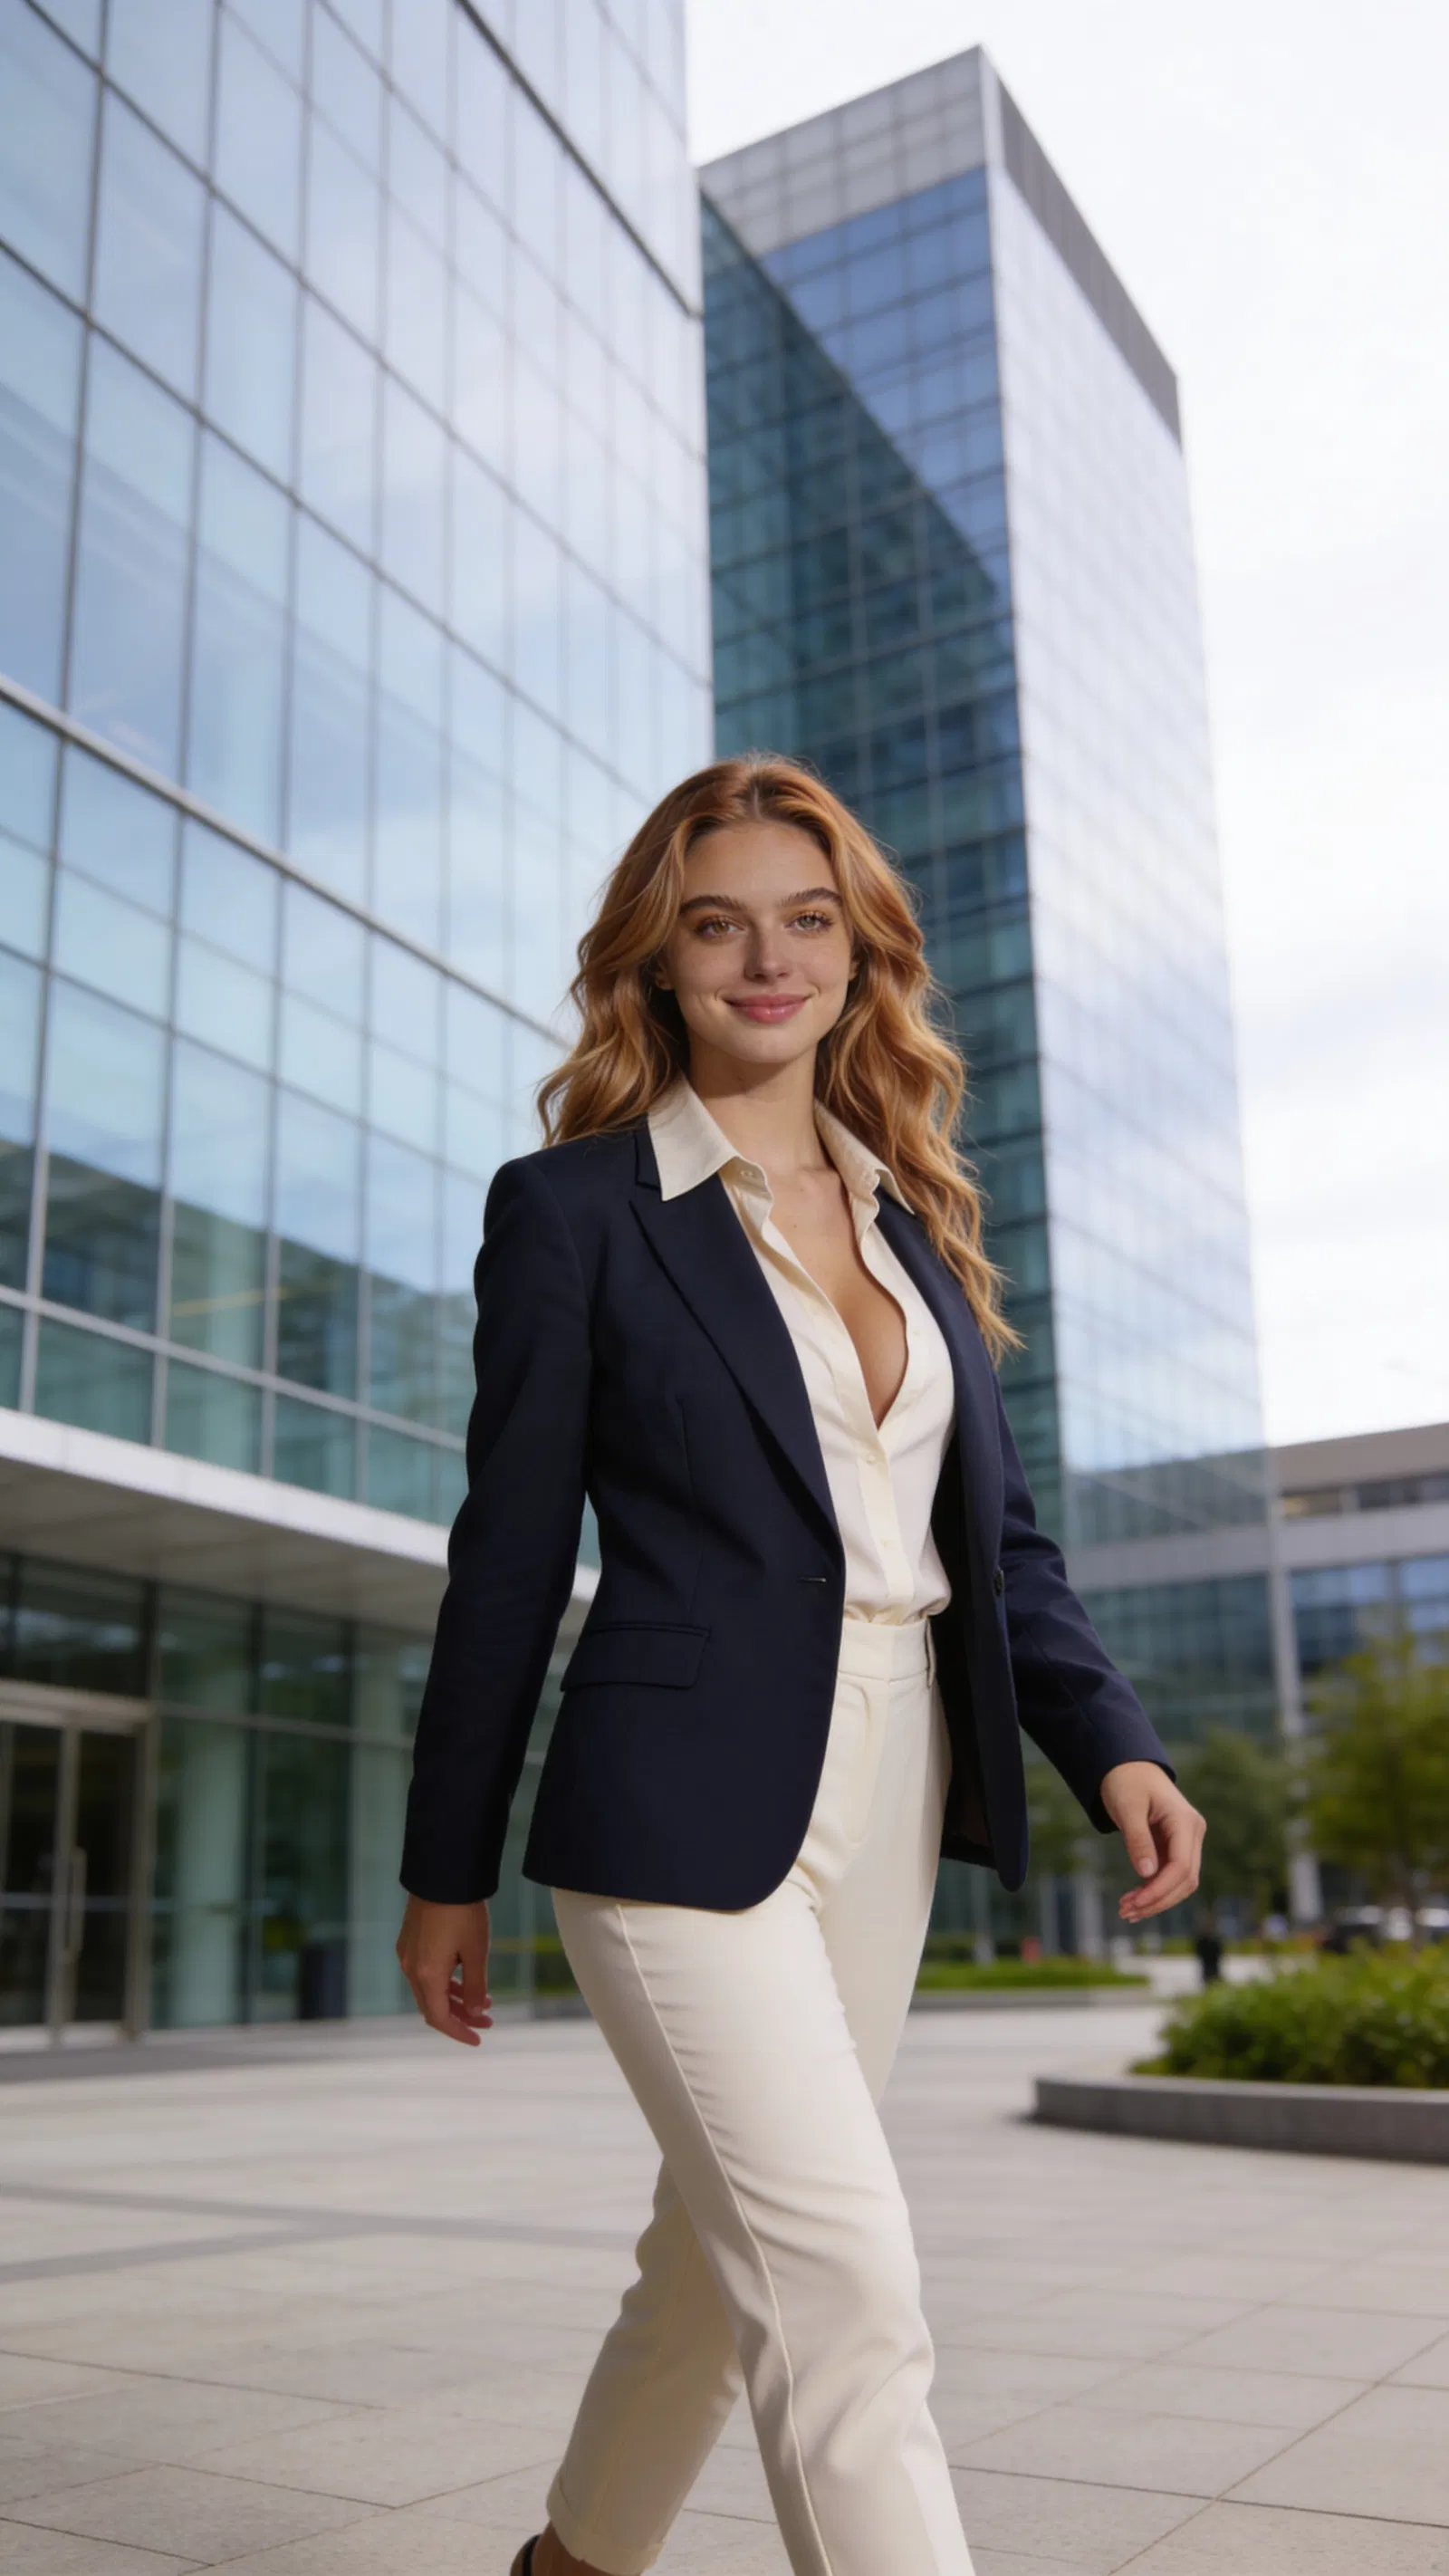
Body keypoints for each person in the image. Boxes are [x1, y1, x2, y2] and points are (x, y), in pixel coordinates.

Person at [396, 756, 1205, 2576]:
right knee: (843, 2276)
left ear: (858, 957)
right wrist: (441, 1866)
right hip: (672, 1801)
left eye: (803, 920)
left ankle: (571, 2564)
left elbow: (989, 1546)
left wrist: (1112, 1746)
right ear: (656, 965)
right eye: (714, 925)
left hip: (893, 1765)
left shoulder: (911, 1221)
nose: (763, 959)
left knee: (719, 2250)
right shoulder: (575, 1210)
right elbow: (508, 1560)